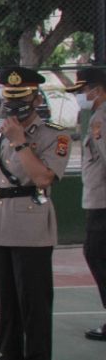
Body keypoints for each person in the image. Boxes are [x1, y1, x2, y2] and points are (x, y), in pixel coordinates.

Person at [0, 66, 70, 360]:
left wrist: (19, 143)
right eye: (9, 99)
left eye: (21, 98)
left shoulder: (53, 135)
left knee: (33, 301)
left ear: (35, 98)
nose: (13, 107)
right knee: (8, 299)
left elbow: (43, 178)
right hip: (0, 223)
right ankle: (9, 358)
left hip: (31, 224)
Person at [69, 65, 106, 341]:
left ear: (98, 90)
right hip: (97, 200)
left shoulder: (101, 120)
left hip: (103, 203)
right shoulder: (97, 116)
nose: (81, 96)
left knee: (95, 253)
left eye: (83, 91)